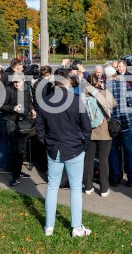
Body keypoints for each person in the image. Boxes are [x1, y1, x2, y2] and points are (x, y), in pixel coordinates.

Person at [35, 68, 92, 237]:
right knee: (74, 188)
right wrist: (84, 146)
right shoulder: (75, 101)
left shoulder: (46, 101)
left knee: (52, 187)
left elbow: (39, 128)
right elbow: (87, 128)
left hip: (58, 147)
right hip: (71, 147)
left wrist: (47, 143)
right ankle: (75, 227)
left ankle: (49, 226)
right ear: (67, 81)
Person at [82, 74, 116, 197]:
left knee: (88, 160)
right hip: (104, 132)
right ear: (98, 82)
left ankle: (88, 187)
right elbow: (113, 104)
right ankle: (104, 189)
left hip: (88, 132)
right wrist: (104, 89)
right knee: (103, 160)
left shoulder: (83, 95)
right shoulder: (102, 93)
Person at [105, 66, 132, 187]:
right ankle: (131, 178)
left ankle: (115, 178)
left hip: (111, 126)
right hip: (126, 123)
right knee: (129, 152)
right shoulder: (124, 85)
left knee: (113, 152)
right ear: (115, 75)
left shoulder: (103, 88)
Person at [1, 72, 35, 186]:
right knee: (15, 150)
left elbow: (29, 103)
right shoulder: (8, 90)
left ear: (23, 80)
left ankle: (18, 171)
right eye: (14, 82)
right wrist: (12, 108)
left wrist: (32, 110)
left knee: (22, 149)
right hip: (11, 122)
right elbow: (1, 106)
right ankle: (15, 176)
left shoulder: (26, 89)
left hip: (24, 122)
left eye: (18, 82)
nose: (16, 84)